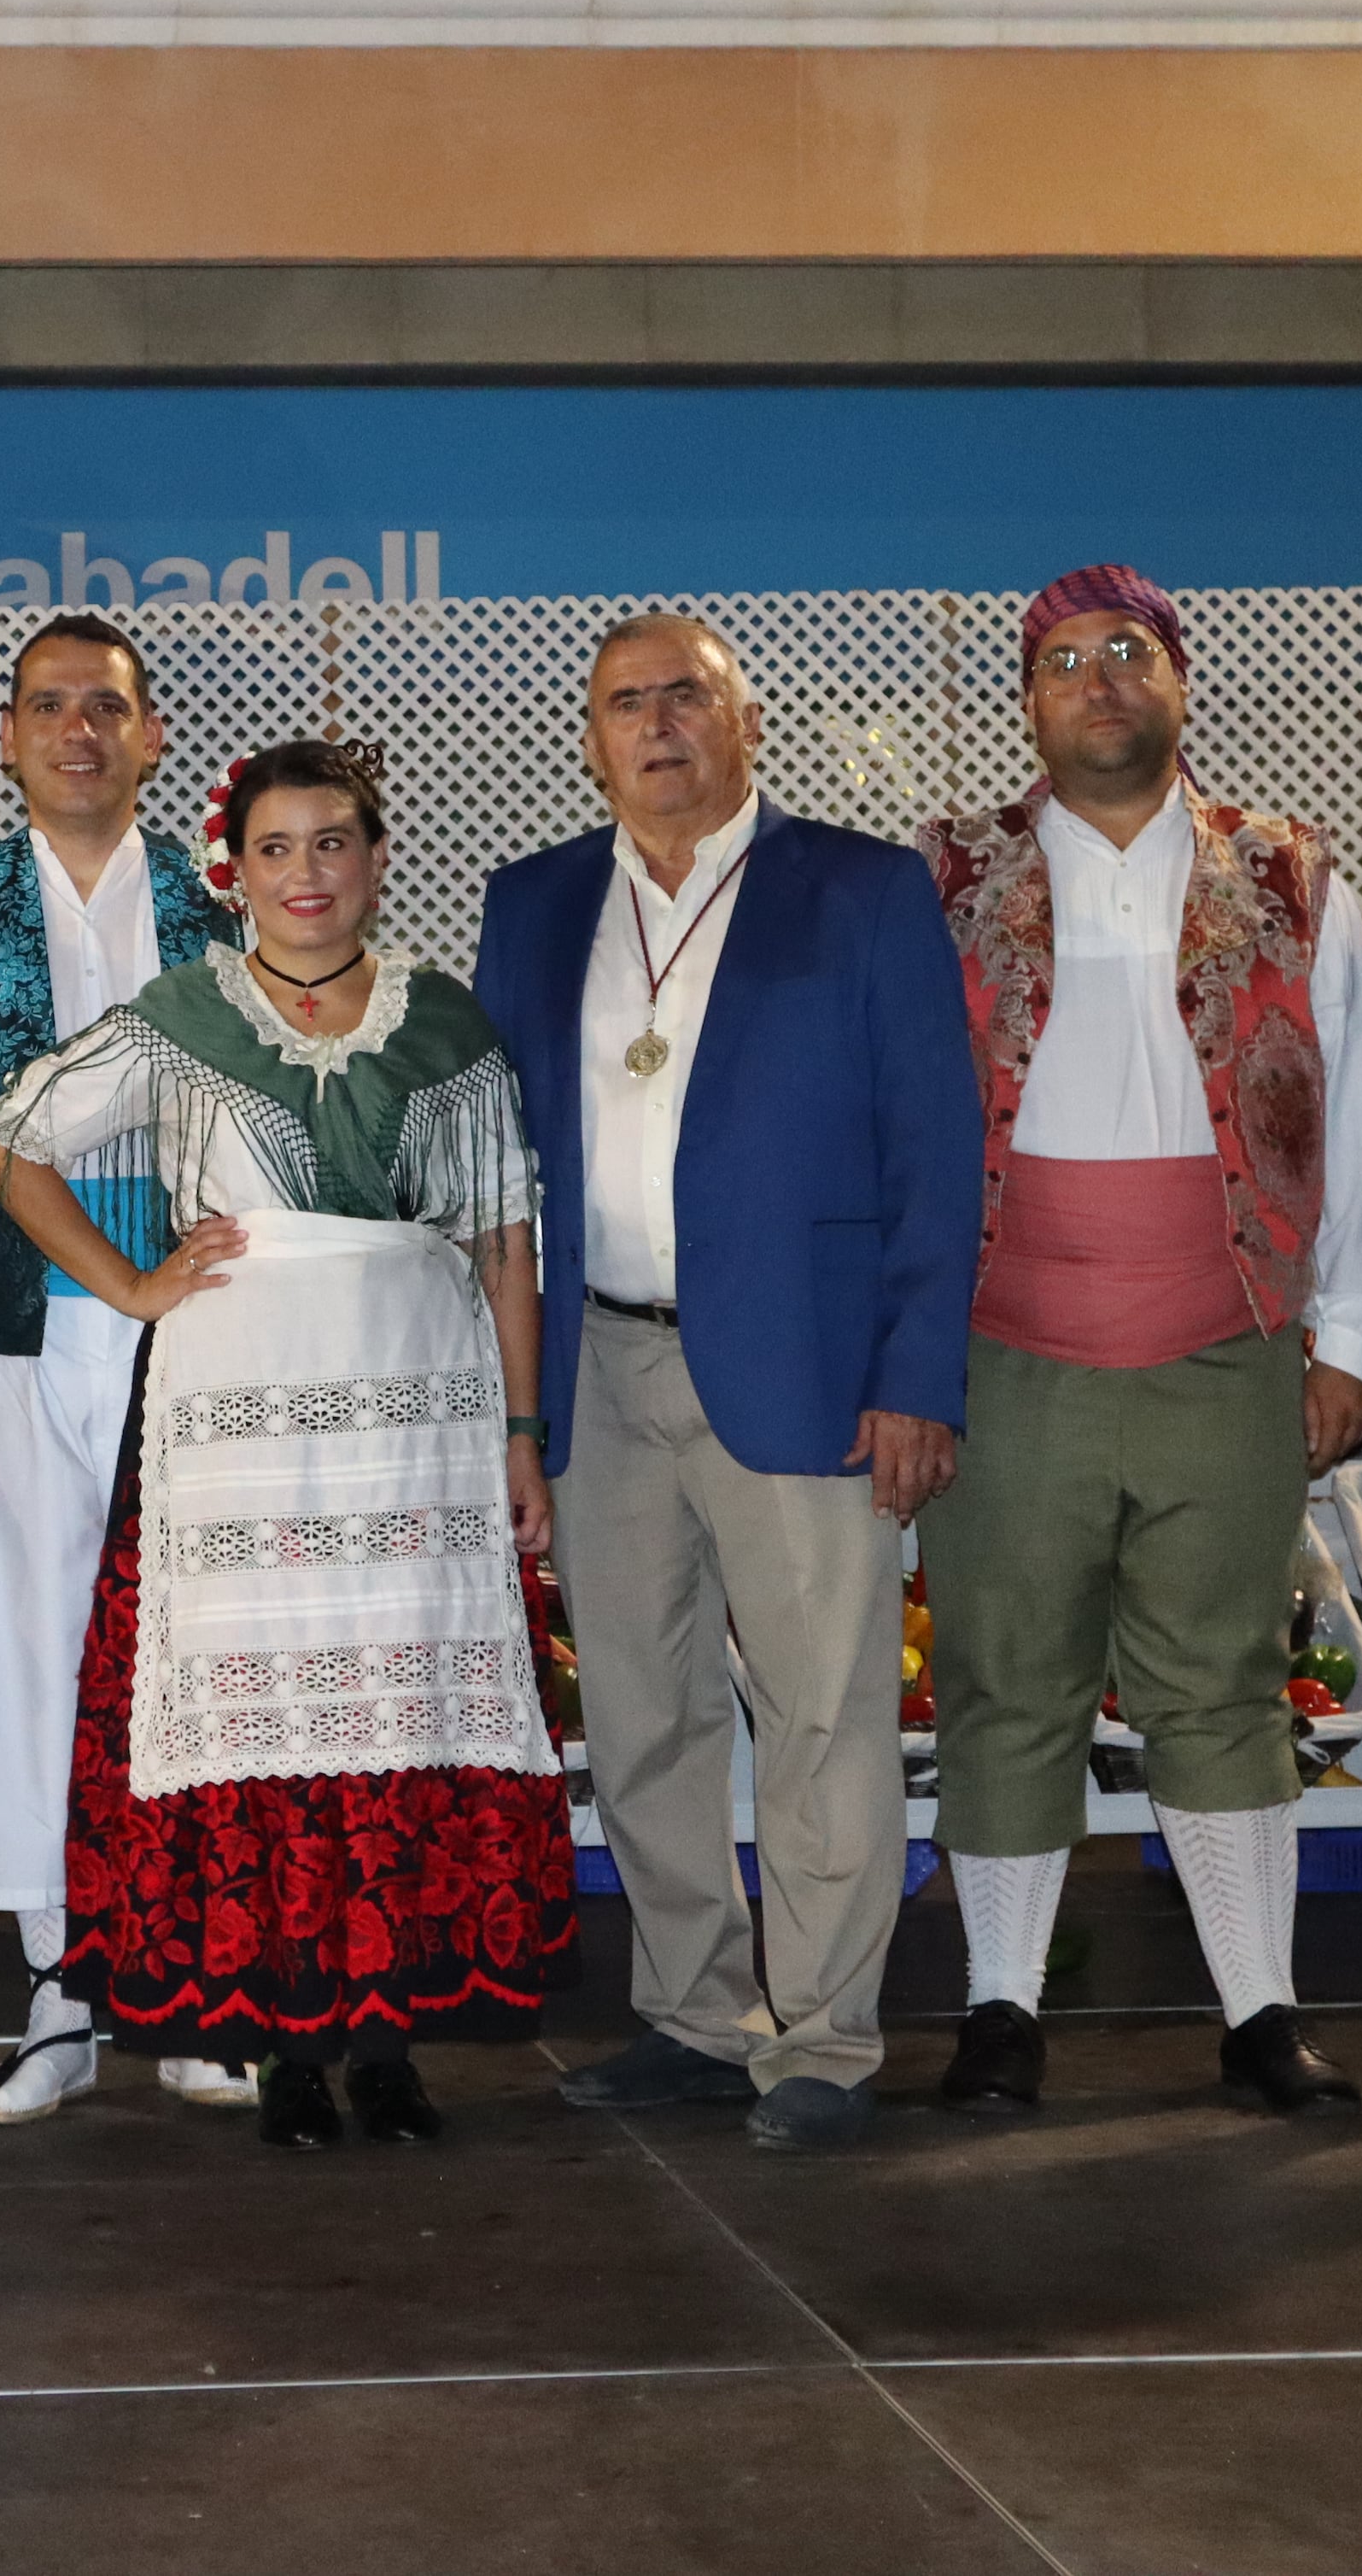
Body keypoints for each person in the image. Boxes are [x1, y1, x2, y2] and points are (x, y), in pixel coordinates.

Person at [0, 741, 577, 2148]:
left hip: (412, 1414)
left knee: (388, 1710)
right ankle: (281, 2041)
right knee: (265, 1716)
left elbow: (502, 1244)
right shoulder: (180, 1016)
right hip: (240, 1412)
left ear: (376, 860)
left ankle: (384, 2041)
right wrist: (127, 1284)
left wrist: (521, 1432)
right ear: (230, 870)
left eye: (332, 843)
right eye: (277, 846)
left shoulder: (450, 1027)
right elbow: (7, 1139)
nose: (306, 872)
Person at [480, 613, 982, 2153]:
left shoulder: (867, 887)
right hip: (601, 1362)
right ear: (592, 738)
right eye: (626, 701)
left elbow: (937, 1148)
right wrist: (513, 1406)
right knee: (640, 1711)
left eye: (687, 692)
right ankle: (695, 2015)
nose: (658, 722)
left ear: (745, 716)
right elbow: (500, 1169)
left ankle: (826, 2037)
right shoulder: (540, 900)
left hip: (812, 1368)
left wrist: (919, 1374)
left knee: (823, 1711)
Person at [913, 566, 1362, 2120]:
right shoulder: (941, 877)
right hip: (1007, 1348)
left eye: (1129, 652)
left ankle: (1262, 2011)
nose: (1100, 679)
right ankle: (1000, 2009)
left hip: (1229, 1339)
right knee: (1006, 1678)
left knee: (1225, 1680)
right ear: (1029, 701)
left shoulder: (1298, 875)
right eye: (1065, 660)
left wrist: (1355, 1342)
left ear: (1181, 680)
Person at [0, 613, 250, 2126]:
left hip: (198, 1328)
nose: (79, 729)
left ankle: (200, 1983)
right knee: (31, 1658)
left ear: (151, 738)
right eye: (48, 707)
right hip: (9, 1337)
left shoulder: (223, 914)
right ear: (5, 738)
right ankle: (59, 1985)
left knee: (192, 1656)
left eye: (108, 707)